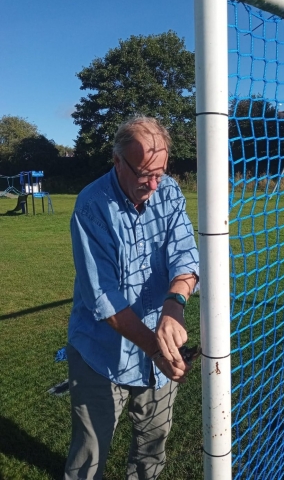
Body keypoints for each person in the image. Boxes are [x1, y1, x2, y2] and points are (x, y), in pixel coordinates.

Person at [63, 116, 199, 480]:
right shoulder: (91, 206)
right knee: (89, 451)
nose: (154, 185)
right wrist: (155, 348)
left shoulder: (169, 191)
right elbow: (104, 299)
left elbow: (186, 255)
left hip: (159, 349)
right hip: (100, 352)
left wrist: (176, 304)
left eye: (161, 172)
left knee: (153, 446)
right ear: (117, 161)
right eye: (144, 175)